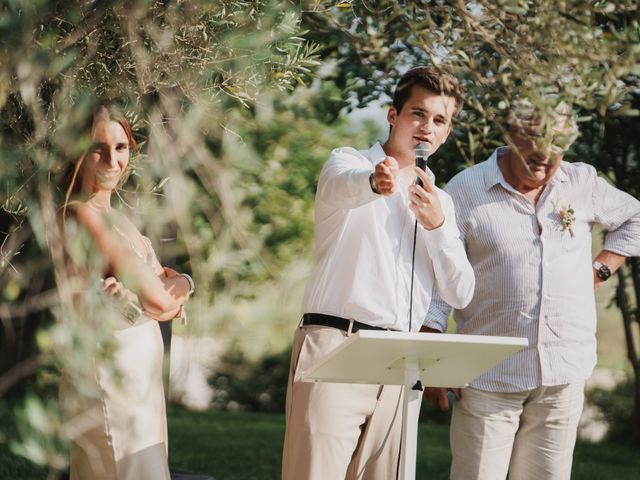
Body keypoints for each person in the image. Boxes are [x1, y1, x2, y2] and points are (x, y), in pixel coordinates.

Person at [423, 101, 640, 480]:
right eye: (533, 153)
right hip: (488, 375)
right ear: (510, 136)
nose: (543, 163)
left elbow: (634, 218)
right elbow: (443, 272)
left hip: (563, 372)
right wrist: (435, 353)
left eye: (553, 154)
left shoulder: (581, 182)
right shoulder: (465, 188)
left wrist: (600, 268)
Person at [281, 66, 475, 480]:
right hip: (336, 346)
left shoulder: (442, 201)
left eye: (440, 120)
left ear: (448, 132)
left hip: (402, 364)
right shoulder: (348, 162)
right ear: (393, 115)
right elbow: (341, 186)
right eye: (418, 114)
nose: (427, 128)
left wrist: (438, 227)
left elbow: (461, 292)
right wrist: (374, 181)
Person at [59, 103, 195, 480]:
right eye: (97, 148)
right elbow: (157, 299)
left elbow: (160, 302)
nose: (111, 159)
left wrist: (177, 285)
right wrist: (183, 284)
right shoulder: (81, 213)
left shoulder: (118, 219)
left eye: (121, 147)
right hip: (108, 374)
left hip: (141, 377)